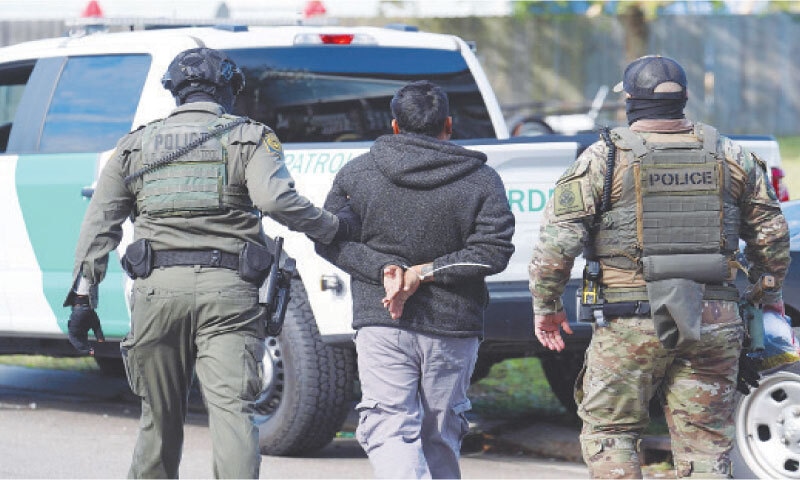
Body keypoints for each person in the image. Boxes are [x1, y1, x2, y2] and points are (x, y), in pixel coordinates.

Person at [63, 47, 359, 479]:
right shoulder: (252, 136)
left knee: (158, 418)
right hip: (230, 294)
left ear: (175, 92)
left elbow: (98, 226)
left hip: (157, 292)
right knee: (233, 415)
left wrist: (83, 299)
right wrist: (330, 227)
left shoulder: (133, 145)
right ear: (228, 88)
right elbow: (274, 199)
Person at [528, 55, 790, 479]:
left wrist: (547, 306)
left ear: (630, 101)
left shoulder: (603, 158)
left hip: (630, 321)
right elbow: (773, 238)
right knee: (706, 444)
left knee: (612, 433)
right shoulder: (732, 155)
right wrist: (770, 298)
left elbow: (557, 243)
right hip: (715, 319)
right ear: (683, 99)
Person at [315, 80, 515, 479]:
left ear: (394, 125)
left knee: (388, 427)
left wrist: (384, 270)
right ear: (449, 125)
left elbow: (329, 238)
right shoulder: (481, 179)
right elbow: (493, 251)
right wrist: (424, 272)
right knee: (441, 433)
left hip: (381, 319)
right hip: (453, 327)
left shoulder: (358, 174)